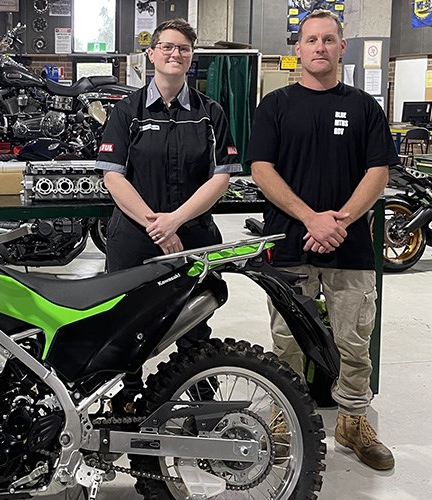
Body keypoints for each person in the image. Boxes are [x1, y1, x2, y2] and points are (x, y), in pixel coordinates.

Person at [247, 9, 397, 471]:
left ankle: (352, 421)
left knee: (355, 339)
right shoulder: (274, 106)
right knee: (286, 340)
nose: (319, 47)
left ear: (341, 47)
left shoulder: (365, 107)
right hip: (289, 242)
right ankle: (283, 417)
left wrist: (342, 220)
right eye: (311, 40)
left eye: (328, 40)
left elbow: (378, 172)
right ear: (297, 49)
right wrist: (312, 218)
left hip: (349, 248)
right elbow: (260, 170)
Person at [95, 18, 242, 411]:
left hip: (193, 235)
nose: (175, 54)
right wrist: (156, 226)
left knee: (194, 321)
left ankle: (198, 397)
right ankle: (125, 397)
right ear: (151, 54)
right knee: (125, 320)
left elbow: (220, 177)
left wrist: (175, 221)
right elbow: (114, 177)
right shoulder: (127, 111)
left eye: (183, 48)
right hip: (135, 238)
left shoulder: (211, 112)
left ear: (191, 57)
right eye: (167, 47)